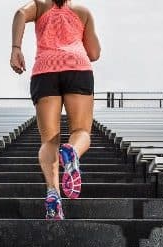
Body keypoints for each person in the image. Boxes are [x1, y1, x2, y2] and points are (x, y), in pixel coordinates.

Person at [10, 0, 101, 220]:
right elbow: (95, 53)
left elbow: (20, 14)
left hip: (45, 70)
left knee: (49, 140)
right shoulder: (82, 12)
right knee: (81, 131)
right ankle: (72, 152)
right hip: (77, 67)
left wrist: (16, 48)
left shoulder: (39, 6)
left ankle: (53, 194)